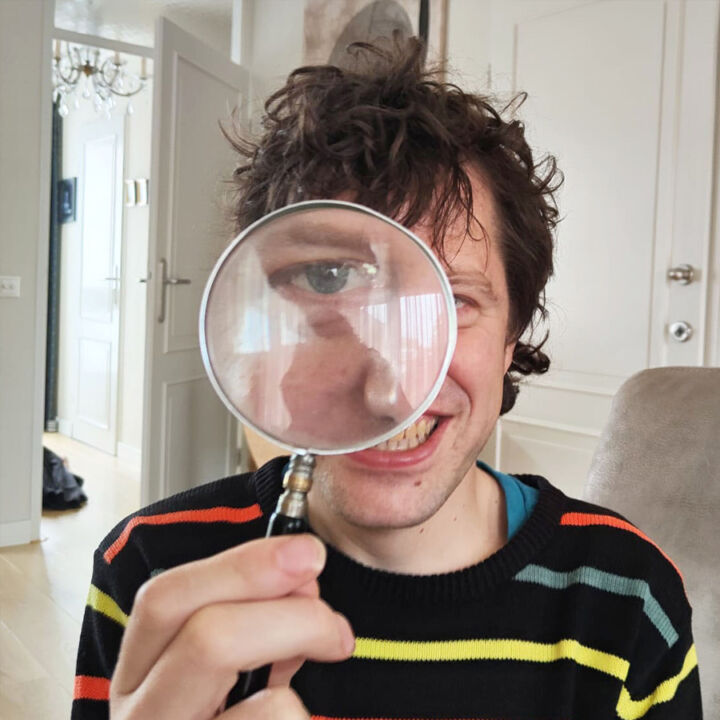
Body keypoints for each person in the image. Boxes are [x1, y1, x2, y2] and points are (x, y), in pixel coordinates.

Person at [72, 39, 702, 720]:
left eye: (454, 301)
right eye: (327, 279)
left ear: (511, 337)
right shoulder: (152, 570)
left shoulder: (629, 596)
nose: (391, 394)